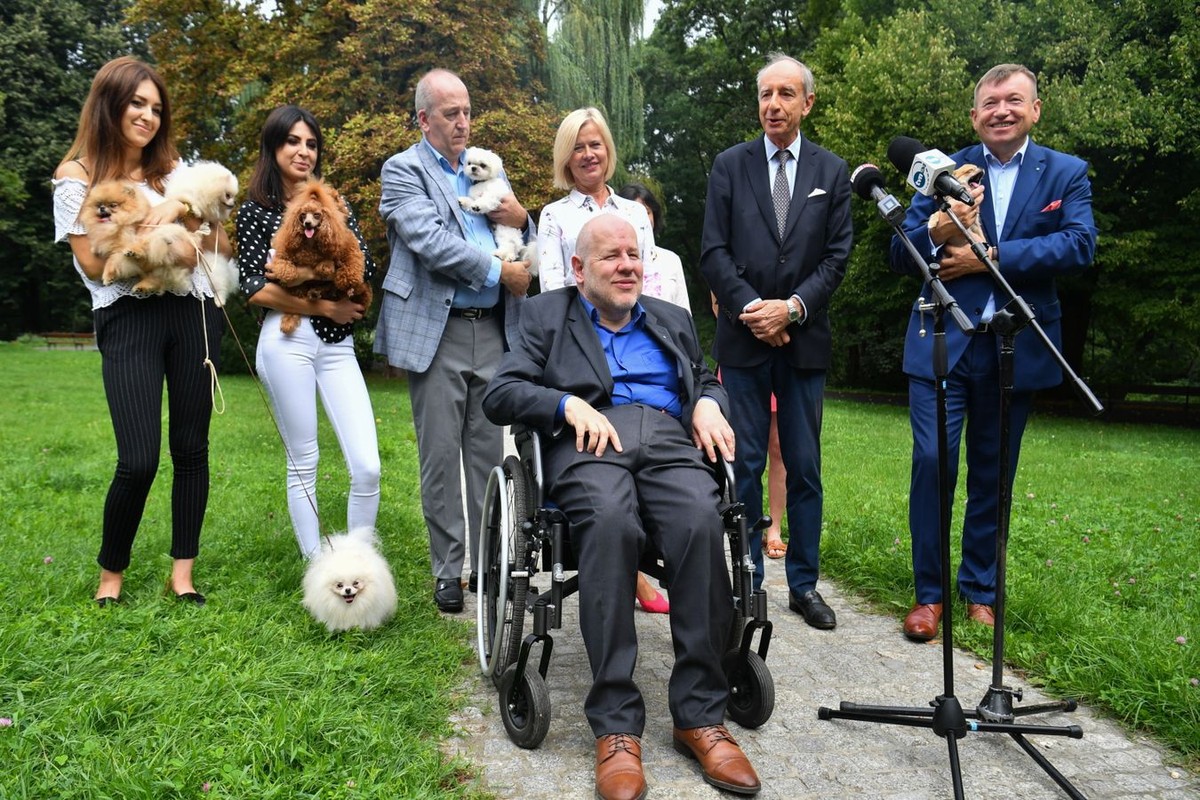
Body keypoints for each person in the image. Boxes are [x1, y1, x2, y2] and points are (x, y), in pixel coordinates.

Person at [483, 215, 761, 800]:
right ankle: (615, 728)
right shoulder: (544, 315)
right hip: (587, 443)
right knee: (609, 525)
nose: (628, 265)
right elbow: (501, 392)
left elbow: (706, 381)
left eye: (633, 254)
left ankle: (699, 715)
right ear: (580, 270)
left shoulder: (672, 319)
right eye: (611, 256)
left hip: (666, 439)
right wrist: (563, 404)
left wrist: (710, 402)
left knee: (700, 522)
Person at [888, 64, 1097, 641]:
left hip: (1016, 344)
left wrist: (992, 257)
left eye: (1014, 100)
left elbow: (1079, 243)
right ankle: (928, 596)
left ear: (1035, 110)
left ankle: (979, 589)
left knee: (994, 471)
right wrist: (936, 230)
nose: (1001, 110)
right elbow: (898, 252)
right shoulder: (941, 170)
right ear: (974, 115)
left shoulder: (1065, 173)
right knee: (933, 463)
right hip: (940, 342)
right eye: (989, 102)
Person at [51, 56, 232, 606]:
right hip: (128, 317)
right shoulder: (77, 177)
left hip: (192, 312)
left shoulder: (174, 172)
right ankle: (112, 577)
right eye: (137, 103)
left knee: (191, 447)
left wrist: (176, 215)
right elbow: (90, 262)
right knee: (138, 459)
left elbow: (219, 242)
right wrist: (166, 234)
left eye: (156, 108)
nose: (148, 116)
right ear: (110, 103)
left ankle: (183, 576)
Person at [373, 68, 535, 613]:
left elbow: (515, 231)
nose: (463, 122)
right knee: (440, 455)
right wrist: (499, 274)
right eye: (450, 113)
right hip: (436, 330)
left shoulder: (489, 164)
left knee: (488, 454)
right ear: (424, 119)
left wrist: (526, 220)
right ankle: (448, 571)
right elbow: (430, 243)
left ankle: (488, 565)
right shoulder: (403, 170)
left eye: (467, 110)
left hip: (492, 330)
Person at [700, 53, 852, 629]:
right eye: (766, 94)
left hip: (803, 343)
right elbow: (713, 250)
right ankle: (746, 581)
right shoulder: (729, 166)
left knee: (805, 466)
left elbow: (836, 257)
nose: (774, 105)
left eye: (786, 94)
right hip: (742, 343)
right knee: (743, 466)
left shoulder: (831, 172)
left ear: (807, 102)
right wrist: (751, 309)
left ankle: (804, 585)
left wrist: (791, 309)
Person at [234, 105, 380, 558]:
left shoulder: (333, 203)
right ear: (273, 146)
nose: (304, 151)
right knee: (304, 460)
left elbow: (364, 267)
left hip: (337, 346)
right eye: (293, 141)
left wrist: (297, 274)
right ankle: (317, 565)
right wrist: (320, 302)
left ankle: (355, 562)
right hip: (286, 339)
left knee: (368, 466)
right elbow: (256, 288)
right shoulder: (256, 210)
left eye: (311, 143)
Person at [616, 181, 691, 614]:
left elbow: (682, 324)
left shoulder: (669, 263)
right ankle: (634, 574)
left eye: (645, 218)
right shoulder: (609, 270)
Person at [536, 108, 655, 294]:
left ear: (607, 149)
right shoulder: (554, 215)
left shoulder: (636, 213)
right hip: (574, 320)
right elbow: (551, 288)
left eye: (595, 145)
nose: (588, 154)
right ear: (566, 158)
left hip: (634, 319)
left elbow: (651, 281)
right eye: (577, 148)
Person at [615, 183, 690, 311]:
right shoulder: (611, 263)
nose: (641, 218)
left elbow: (684, 311)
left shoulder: (671, 260)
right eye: (633, 212)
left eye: (646, 212)